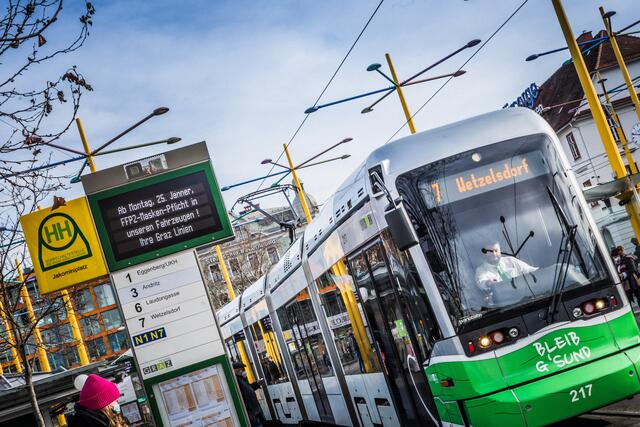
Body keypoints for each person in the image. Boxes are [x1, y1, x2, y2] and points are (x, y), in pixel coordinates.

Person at [233, 361, 265, 427]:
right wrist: (248, 411)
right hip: (251, 411)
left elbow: (249, 389)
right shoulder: (236, 381)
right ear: (235, 370)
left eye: (242, 369)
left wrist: (257, 383)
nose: (242, 371)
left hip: (255, 408)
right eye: (240, 369)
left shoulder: (242, 379)